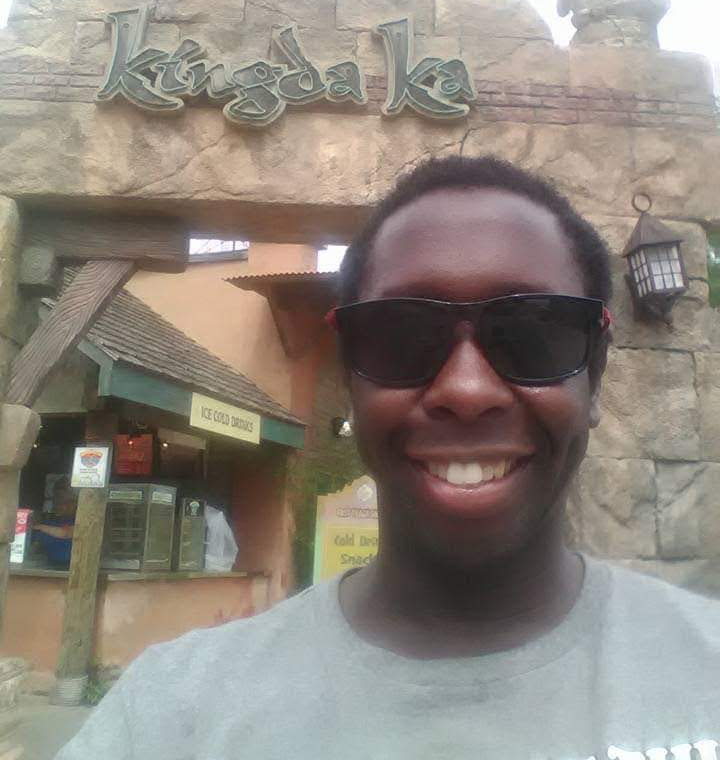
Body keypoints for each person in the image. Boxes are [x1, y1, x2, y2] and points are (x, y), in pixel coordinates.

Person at [57, 156, 719, 760]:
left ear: (594, 378)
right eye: (402, 336)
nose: (466, 390)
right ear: (351, 379)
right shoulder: (173, 716)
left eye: (534, 333)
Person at [33, 477, 77, 569]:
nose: (58, 504)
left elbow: (66, 533)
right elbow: (35, 547)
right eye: (55, 499)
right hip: (50, 568)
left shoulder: (82, 520)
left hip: (73, 569)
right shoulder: (49, 522)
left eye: (63, 501)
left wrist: (39, 526)